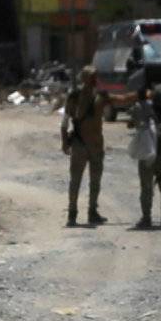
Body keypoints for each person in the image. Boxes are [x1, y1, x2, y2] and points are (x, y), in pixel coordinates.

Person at [60, 65, 112, 227]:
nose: (95, 80)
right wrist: (64, 141)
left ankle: (91, 212)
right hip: (82, 144)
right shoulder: (75, 97)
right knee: (76, 180)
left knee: (94, 181)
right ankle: (73, 213)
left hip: (92, 145)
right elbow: (65, 120)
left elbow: (120, 101)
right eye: (93, 77)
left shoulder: (97, 97)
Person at [128, 86, 161, 231]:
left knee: (146, 189)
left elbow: (132, 121)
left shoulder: (143, 109)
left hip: (148, 156)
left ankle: (146, 219)